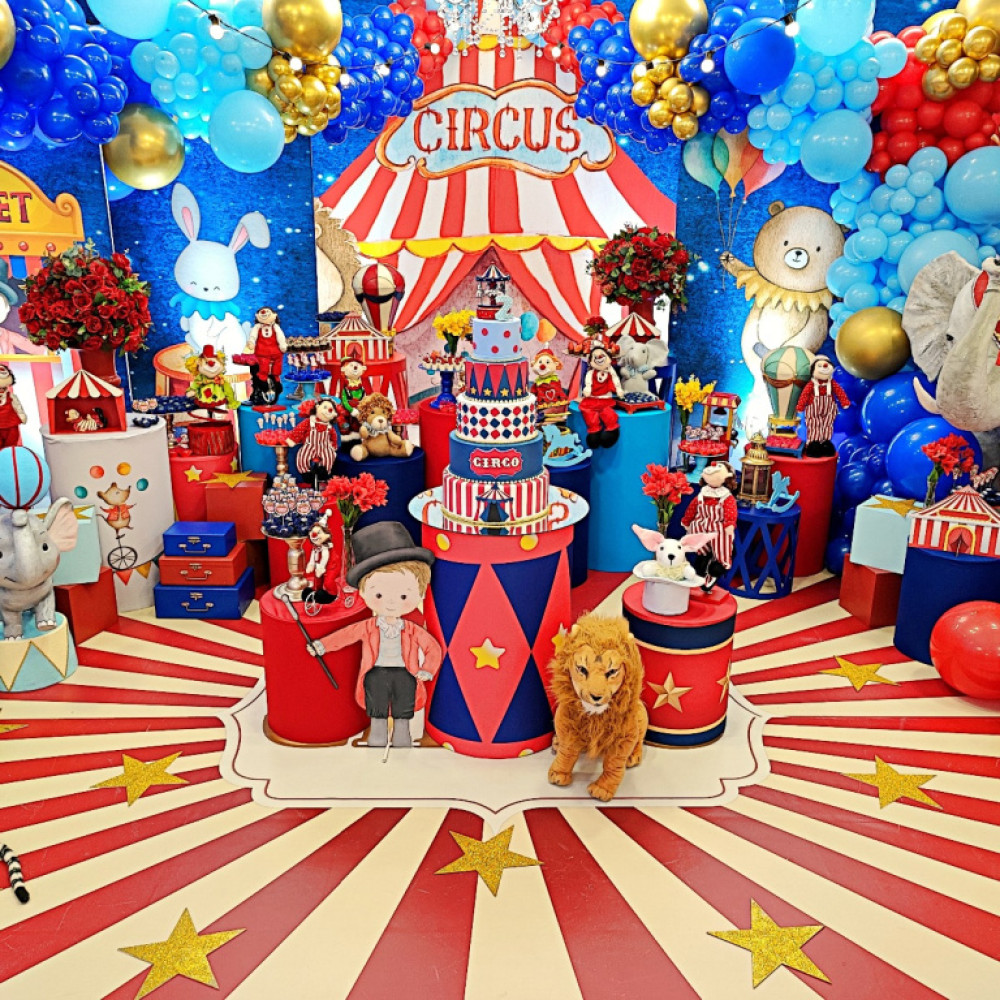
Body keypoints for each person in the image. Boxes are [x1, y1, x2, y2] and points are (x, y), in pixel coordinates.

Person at [308, 521, 442, 748]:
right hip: (375, 673)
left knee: (404, 708)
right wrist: (322, 645)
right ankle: (377, 737)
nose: (391, 602)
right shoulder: (369, 627)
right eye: (379, 595)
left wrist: (427, 669)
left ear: (420, 591)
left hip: (406, 674)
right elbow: (345, 635)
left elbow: (432, 647)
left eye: (403, 596)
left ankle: (402, 738)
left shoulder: (411, 629)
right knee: (376, 707)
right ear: (363, 592)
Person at [681, 460, 738, 593]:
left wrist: (729, 524)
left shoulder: (725, 496)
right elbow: (692, 508)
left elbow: (731, 511)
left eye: (719, 467)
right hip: (701, 526)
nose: (712, 468)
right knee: (701, 548)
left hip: (718, 528)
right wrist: (687, 521)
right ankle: (702, 562)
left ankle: (718, 566)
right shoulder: (702, 494)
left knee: (721, 546)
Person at [796, 355, 850, 458]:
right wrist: (800, 406)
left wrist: (844, 402)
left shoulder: (832, 383)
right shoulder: (811, 385)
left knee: (827, 425)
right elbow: (804, 395)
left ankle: (825, 443)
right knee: (814, 426)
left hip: (829, 408)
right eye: (819, 366)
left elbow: (839, 392)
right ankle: (814, 443)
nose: (823, 369)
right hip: (814, 409)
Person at [285, 396, 342, 489]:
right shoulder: (309, 422)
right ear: (317, 407)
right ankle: (306, 473)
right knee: (302, 456)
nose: (327, 411)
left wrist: (333, 446)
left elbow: (334, 437)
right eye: (324, 407)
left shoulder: (329, 427)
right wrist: (292, 439)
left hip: (324, 446)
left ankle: (324, 472)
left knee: (329, 456)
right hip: (309, 446)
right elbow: (299, 430)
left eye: (330, 410)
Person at [579, 341, 623, 448]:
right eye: (595, 356)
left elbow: (616, 381)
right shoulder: (590, 373)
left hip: (605, 399)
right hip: (592, 399)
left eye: (602, 355)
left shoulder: (611, 372)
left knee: (608, 412)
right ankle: (594, 432)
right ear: (591, 361)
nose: (599, 358)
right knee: (589, 413)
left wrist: (619, 390)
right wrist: (587, 389)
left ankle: (612, 430)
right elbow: (588, 382)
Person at [0, 364, 27, 449]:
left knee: (11, 443)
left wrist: (22, 415)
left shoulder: (11, 396)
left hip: (11, 424)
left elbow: (17, 406)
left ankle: (10, 455)